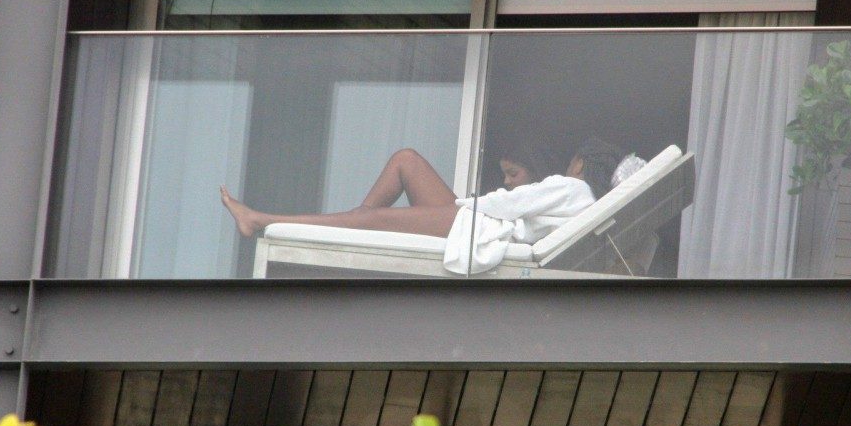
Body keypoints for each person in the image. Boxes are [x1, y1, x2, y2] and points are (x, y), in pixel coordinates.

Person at [220, 138, 624, 242]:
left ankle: (261, 219)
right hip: (472, 222)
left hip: (475, 227)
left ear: (582, 164)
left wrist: (466, 204)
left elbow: (512, 203)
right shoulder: (582, 201)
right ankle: (354, 230)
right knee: (406, 160)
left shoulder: (574, 189)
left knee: (373, 219)